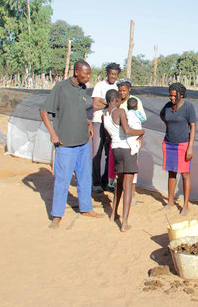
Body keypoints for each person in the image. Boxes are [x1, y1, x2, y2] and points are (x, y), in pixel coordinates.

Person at [39, 60, 103, 228]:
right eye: (86, 73)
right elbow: (43, 110)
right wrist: (52, 133)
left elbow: (79, 109)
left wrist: (88, 122)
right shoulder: (61, 87)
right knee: (62, 179)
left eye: (89, 73)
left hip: (82, 141)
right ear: (76, 72)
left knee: (84, 177)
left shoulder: (82, 89)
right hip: (65, 142)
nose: (88, 77)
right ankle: (57, 215)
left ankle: (86, 208)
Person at [103, 89, 146, 232]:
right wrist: (141, 132)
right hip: (127, 150)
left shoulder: (105, 115)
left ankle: (113, 214)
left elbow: (109, 136)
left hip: (115, 149)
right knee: (128, 186)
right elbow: (127, 131)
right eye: (120, 99)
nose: (122, 102)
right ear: (115, 100)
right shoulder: (119, 112)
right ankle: (124, 222)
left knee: (119, 184)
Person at [160, 82, 196, 216]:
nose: (171, 98)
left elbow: (193, 127)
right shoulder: (168, 106)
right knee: (171, 172)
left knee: (185, 174)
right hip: (168, 143)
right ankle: (170, 202)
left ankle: (186, 205)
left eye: (174, 96)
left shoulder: (188, 107)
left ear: (181, 94)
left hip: (183, 145)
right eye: (170, 95)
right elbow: (163, 115)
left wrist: (190, 147)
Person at [107, 78, 146, 190]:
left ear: (129, 89)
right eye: (120, 90)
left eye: (124, 90)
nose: (122, 93)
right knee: (116, 163)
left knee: (132, 164)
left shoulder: (135, 100)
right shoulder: (116, 101)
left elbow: (142, 118)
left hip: (130, 137)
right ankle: (114, 185)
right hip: (117, 137)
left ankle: (131, 190)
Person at [91, 63, 120, 192]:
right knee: (96, 152)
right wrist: (109, 103)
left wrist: (103, 101)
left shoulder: (118, 86)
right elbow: (95, 105)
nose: (113, 76)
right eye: (111, 73)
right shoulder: (100, 86)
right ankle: (96, 182)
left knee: (111, 153)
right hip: (99, 121)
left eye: (115, 74)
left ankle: (106, 181)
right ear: (107, 73)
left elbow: (118, 105)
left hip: (112, 123)